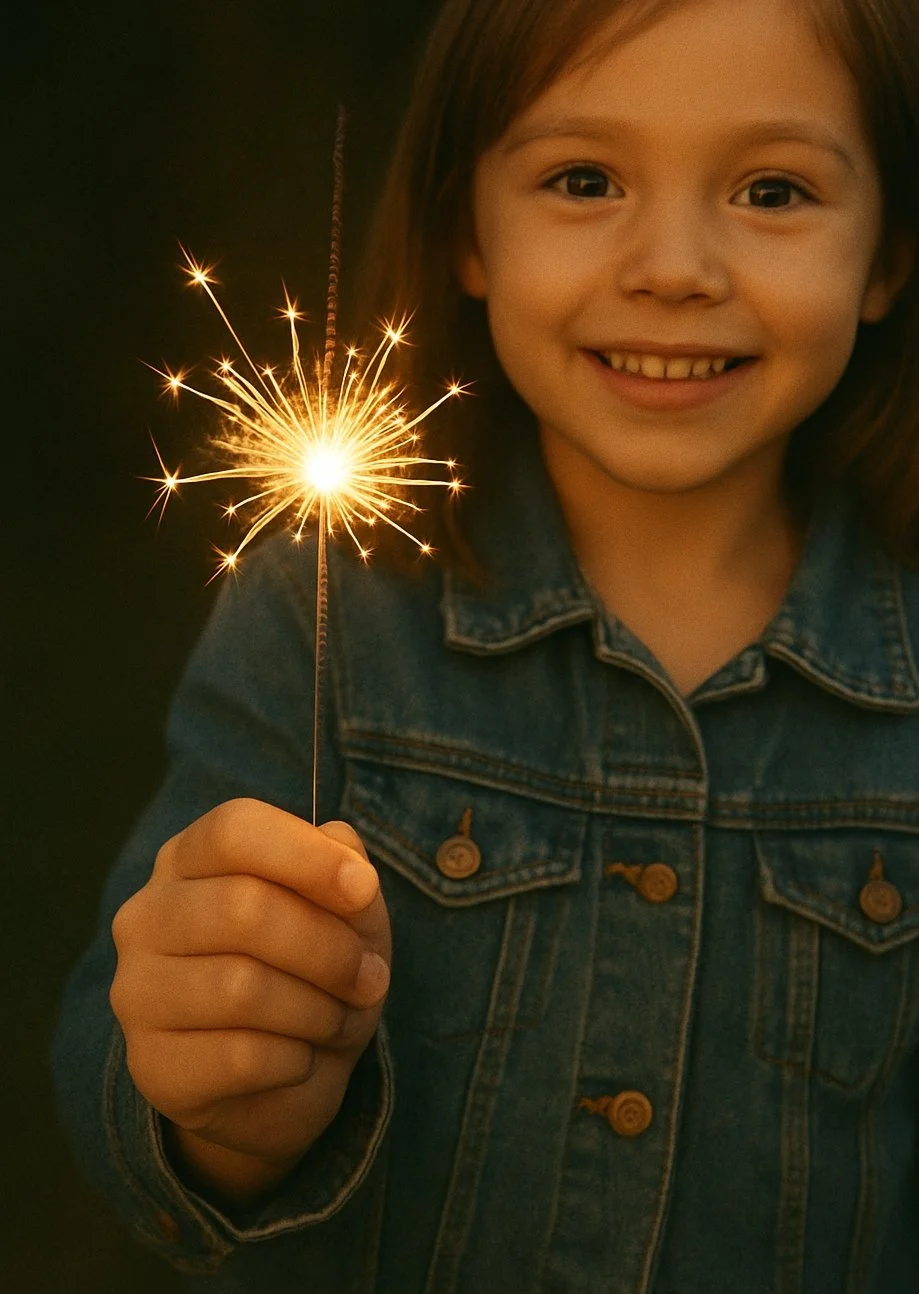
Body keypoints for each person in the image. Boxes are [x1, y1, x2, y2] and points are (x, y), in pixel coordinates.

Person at [51, 0, 919, 1289]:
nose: (673, 267)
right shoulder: (321, 617)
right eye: (585, 180)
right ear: (467, 225)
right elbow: (116, 1078)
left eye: (773, 191)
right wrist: (223, 1108)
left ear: (888, 254)